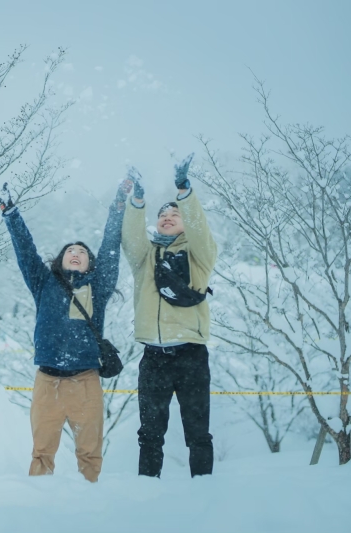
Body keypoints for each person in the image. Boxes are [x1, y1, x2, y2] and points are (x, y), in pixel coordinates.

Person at [0, 179, 130, 482]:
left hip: (86, 381)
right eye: (70, 250)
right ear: (61, 259)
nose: (76, 252)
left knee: (89, 453)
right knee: (41, 453)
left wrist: (118, 205)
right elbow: (25, 250)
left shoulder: (98, 287)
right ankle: (41, 502)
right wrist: (10, 211)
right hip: (47, 381)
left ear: (90, 263)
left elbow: (110, 245)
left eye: (82, 251)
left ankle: (90, 498)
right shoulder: (44, 283)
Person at [121, 154, 218, 478]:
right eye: (162, 214)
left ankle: (203, 490)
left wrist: (184, 192)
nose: (167, 217)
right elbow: (131, 237)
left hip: (191, 353)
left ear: (185, 221)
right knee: (149, 434)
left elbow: (200, 230)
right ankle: (147, 490)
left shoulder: (199, 254)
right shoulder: (145, 257)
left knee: (198, 433)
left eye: (174, 214)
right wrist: (137, 200)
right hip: (153, 356)